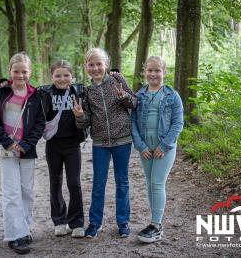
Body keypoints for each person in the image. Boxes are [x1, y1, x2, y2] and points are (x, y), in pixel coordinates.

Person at [73, 47, 137, 238]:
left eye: (99, 64)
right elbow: (85, 122)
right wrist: (80, 115)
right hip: (100, 142)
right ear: (86, 67)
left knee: (122, 182)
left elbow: (134, 103)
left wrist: (123, 96)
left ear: (106, 65)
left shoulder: (118, 80)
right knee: (98, 183)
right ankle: (94, 223)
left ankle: (123, 222)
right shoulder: (86, 91)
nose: (95, 68)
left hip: (122, 140)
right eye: (91, 65)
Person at [0, 52, 45, 255]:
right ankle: (14, 235)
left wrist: (26, 144)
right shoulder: (1, 92)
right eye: (16, 71)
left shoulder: (36, 95)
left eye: (24, 71)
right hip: (6, 149)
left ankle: (25, 229)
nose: (20, 75)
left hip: (26, 150)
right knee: (11, 192)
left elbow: (39, 124)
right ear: (10, 71)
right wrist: (8, 143)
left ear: (30, 72)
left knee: (27, 191)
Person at [131, 56, 184, 243]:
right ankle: (154, 223)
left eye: (157, 70)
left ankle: (156, 225)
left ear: (164, 72)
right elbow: (133, 123)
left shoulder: (172, 95)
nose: (153, 74)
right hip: (146, 147)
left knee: (157, 183)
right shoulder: (139, 95)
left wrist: (165, 145)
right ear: (144, 72)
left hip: (164, 146)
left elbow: (178, 123)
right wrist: (140, 145)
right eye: (150, 70)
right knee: (149, 183)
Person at [38, 60, 87, 238]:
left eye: (66, 75)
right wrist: (4, 83)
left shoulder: (79, 92)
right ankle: (59, 221)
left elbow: (86, 120)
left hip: (72, 144)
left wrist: (80, 116)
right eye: (58, 75)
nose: (62, 78)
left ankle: (77, 223)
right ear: (51, 76)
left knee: (74, 184)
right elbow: (23, 90)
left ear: (72, 76)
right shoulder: (44, 93)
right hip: (53, 145)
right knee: (55, 183)